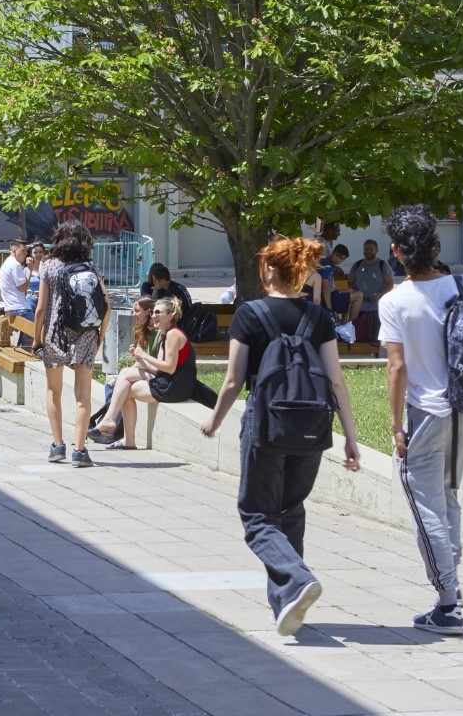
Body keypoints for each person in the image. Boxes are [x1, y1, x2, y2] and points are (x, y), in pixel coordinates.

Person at [199, 235, 360, 638]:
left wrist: (215, 420)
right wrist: (350, 436)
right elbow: (336, 381)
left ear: (270, 270)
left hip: (266, 425)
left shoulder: (249, 315)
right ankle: (287, 604)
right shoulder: (318, 317)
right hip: (312, 427)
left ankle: (296, 579)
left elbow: (234, 380)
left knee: (257, 516)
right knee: (290, 511)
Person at [378, 204, 463, 637]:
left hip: (425, 414)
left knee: (424, 501)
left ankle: (448, 604)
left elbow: (397, 368)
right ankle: (452, 581)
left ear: (396, 251)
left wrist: (396, 426)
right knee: (447, 494)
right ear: (436, 247)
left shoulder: (394, 301)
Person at [33, 221, 109, 467]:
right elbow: (107, 305)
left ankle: (57, 446)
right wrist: (101, 336)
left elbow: (41, 308)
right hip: (86, 334)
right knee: (83, 395)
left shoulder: (49, 266)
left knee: (53, 391)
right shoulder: (91, 267)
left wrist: (36, 338)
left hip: (55, 334)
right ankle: (79, 450)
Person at [90, 296, 190, 450]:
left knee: (124, 377)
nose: (154, 315)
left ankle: (110, 421)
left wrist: (143, 356)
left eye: (157, 312)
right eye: (154, 312)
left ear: (170, 315)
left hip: (173, 385)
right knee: (125, 389)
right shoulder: (165, 333)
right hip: (165, 380)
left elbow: (169, 368)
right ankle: (127, 440)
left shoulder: (172, 334)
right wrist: (140, 359)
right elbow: (159, 368)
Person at [348, 240, 394, 344]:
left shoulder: (383, 265)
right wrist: (358, 294)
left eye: (371, 249)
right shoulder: (357, 265)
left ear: (376, 250)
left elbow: (390, 284)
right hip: (359, 310)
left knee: (374, 342)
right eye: (366, 249)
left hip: (376, 310)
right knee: (358, 340)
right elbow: (350, 283)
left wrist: (378, 294)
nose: (368, 251)